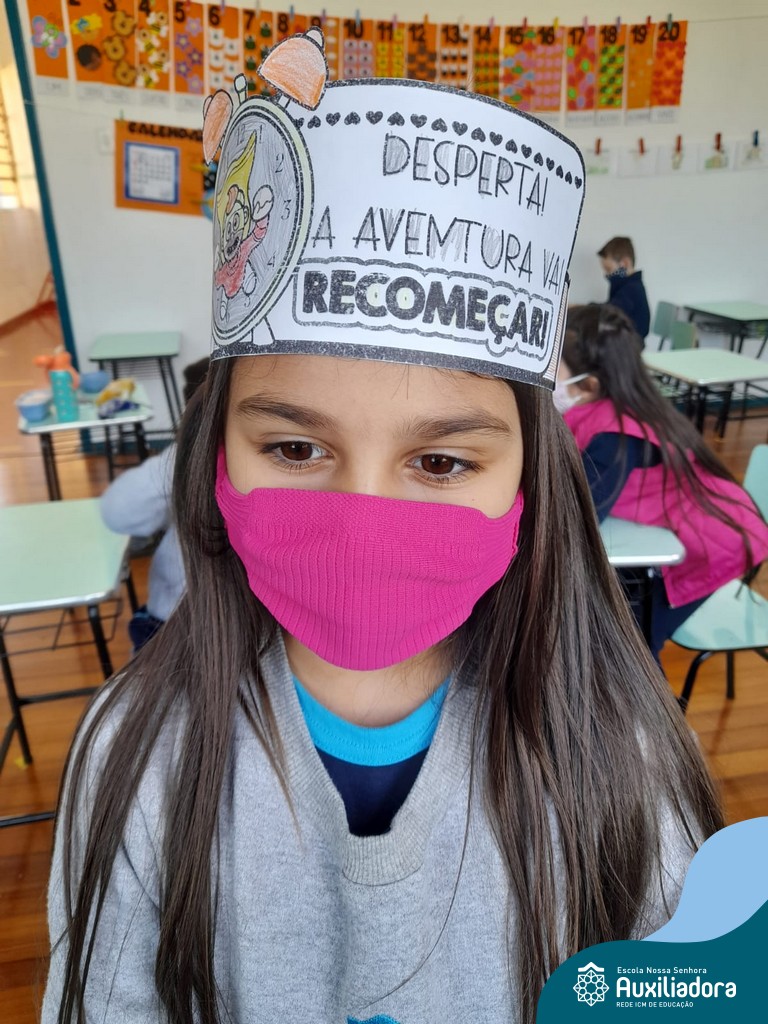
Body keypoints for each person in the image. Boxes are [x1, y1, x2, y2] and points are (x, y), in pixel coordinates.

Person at [44, 35, 723, 1024]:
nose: (365, 531)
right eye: (294, 448)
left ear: (529, 481)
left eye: (440, 463)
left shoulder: (620, 758)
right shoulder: (135, 762)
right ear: (214, 456)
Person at [559, 303, 768, 662]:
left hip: (717, 543)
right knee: (610, 623)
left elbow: (578, 519)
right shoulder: (622, 403)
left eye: (554, 370)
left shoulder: (614, 437)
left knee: (630, 644)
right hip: (702, 526)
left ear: (590, 384)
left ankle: (649, 700)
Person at [100, 357, 209, 650]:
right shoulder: (182, 461)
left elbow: (117, 511)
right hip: (173, 622)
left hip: (228, 626)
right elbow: (117, 511)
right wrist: (180, 459)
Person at [597, 236, 651, 341]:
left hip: (630, 345)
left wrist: (578, 309)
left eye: (608, 269)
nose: (606, 275)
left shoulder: (632, 289)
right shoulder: (625, 286)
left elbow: (608, 312)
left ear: (625, 264)